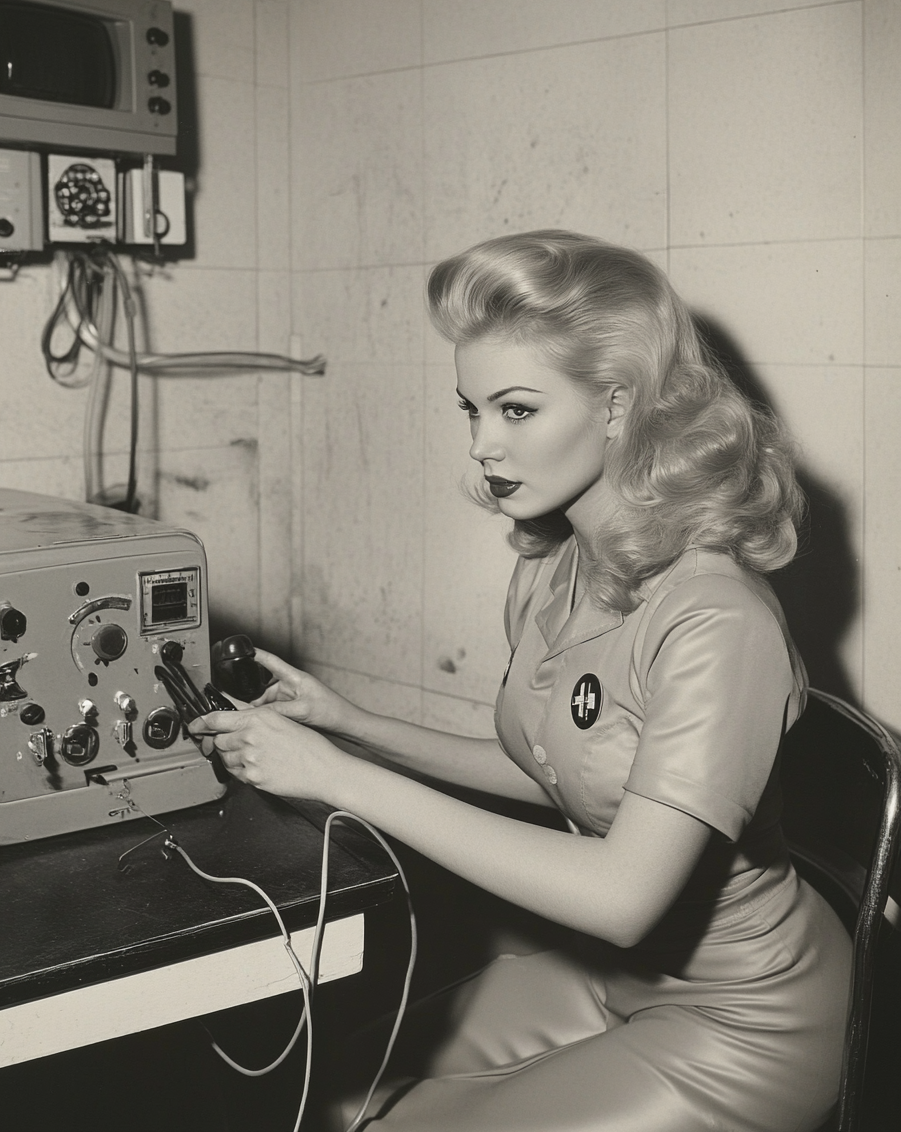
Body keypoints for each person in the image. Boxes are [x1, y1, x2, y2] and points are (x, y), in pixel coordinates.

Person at [194, 231, 852, 1132]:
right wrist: (349, 723)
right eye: (471, 410)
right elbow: (554, 769)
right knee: (334, 1092)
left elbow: (622, 897)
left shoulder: (717, 620)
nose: (483, 448)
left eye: (515, 410)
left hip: (745, 1016)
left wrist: (337, 776)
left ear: (618, 406)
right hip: (608, 975)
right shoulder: (556, 564)